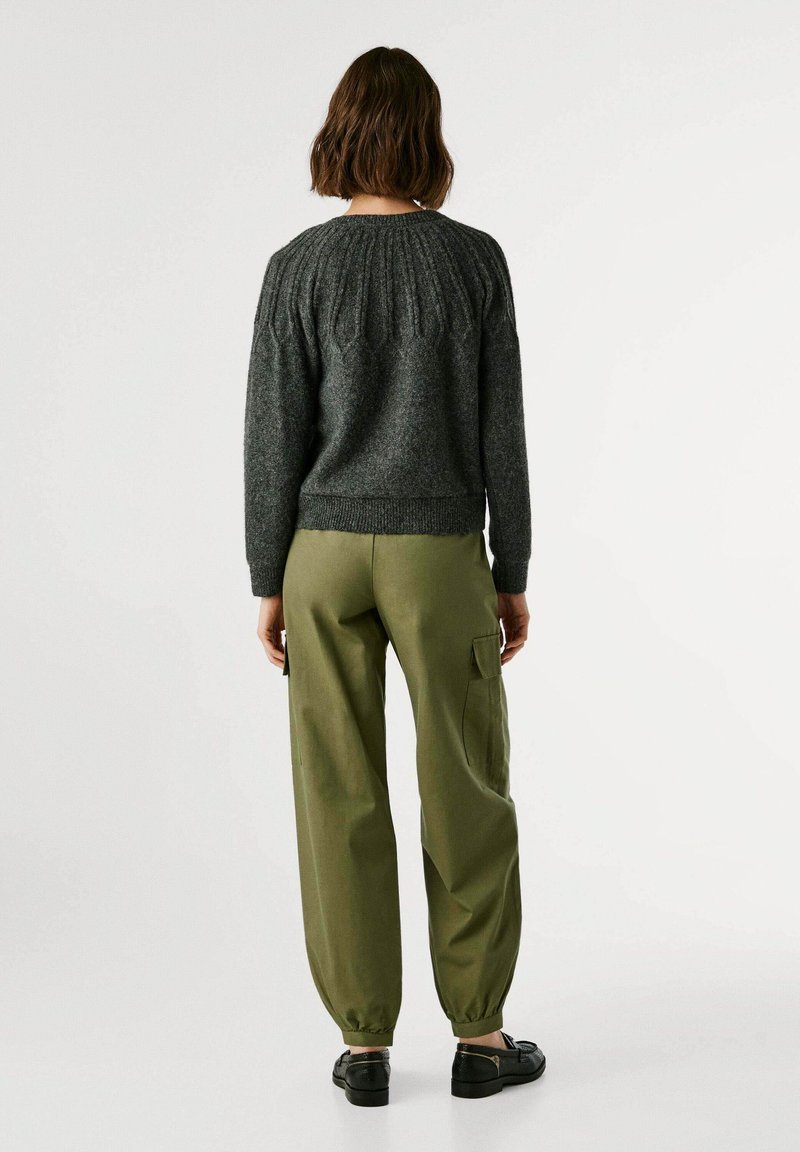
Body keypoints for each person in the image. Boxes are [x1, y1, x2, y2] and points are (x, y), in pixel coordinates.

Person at [243, 46, 545, 1105]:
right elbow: (500, 429)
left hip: (320, 556)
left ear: (340, 134)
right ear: (427, 135)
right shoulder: (472, 262)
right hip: (437, 554)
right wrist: (510, 565)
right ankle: (480, 1039)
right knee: (465, 787)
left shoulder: (297, 267)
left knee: (338, 792)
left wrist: (267, 577)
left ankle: (364, 1048)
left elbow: (272, 434)